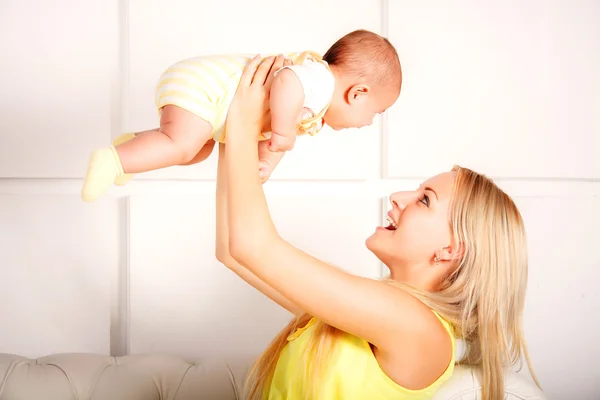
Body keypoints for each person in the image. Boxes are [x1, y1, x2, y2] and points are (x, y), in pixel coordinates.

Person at [215, 55, 542, 400]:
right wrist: (228, 135)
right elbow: (232, 251)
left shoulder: (417, 326)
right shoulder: (370, 311)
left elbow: (251, 246)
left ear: (452, 249)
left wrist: (242, 122)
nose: (399, 197)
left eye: (425, 200)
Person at [80, 29, 401, 202]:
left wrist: (267, 161)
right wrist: (283, 134)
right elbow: (287, 82)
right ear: (357, 93)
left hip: (208, 98)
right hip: (202, 86)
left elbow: (272, 136)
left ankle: (133, 146)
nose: (369, 123)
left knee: (197, 150)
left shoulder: (313, 106)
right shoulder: (320, 80)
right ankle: (112, 159)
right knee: (183, 144)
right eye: (375, 113)